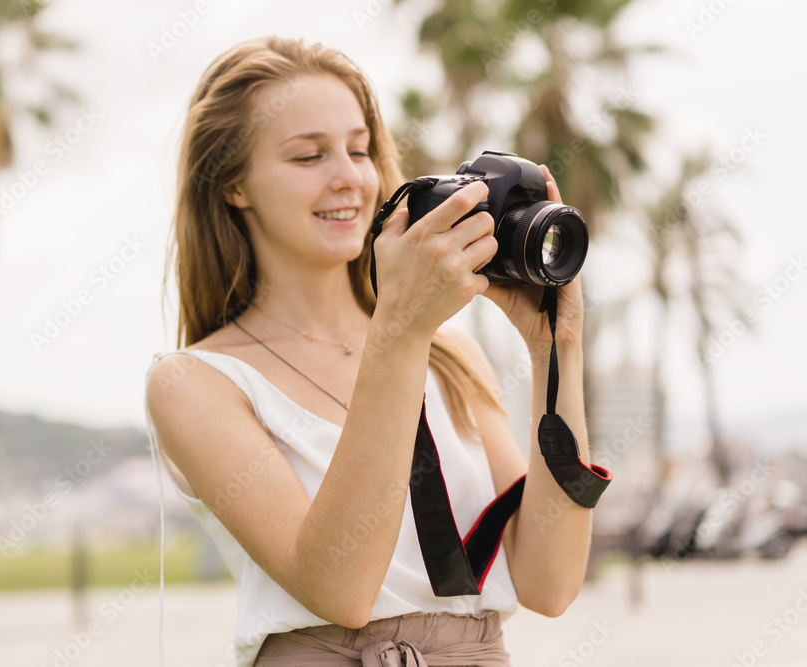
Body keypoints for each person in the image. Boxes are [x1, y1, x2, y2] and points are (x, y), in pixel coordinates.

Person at [145, 36, 595, 666]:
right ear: (232, 185)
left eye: (359, 149)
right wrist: (401, 329)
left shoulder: (450, 356)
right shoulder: (196, 382)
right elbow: (341, 590)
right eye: (308, 156)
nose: (350, 178)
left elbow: (550, 584)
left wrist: (557, 349)